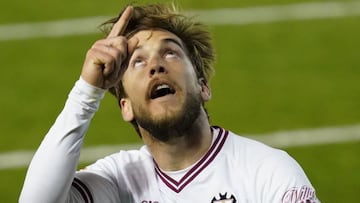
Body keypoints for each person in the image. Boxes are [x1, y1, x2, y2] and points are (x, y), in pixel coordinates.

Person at [19, 3, 320, 203]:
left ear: (203, 87)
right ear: (125, 106)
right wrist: (87, 92)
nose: (156, 66)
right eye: (137, 62)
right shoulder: (118, 180)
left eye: (171, 53)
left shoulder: (266, 171)